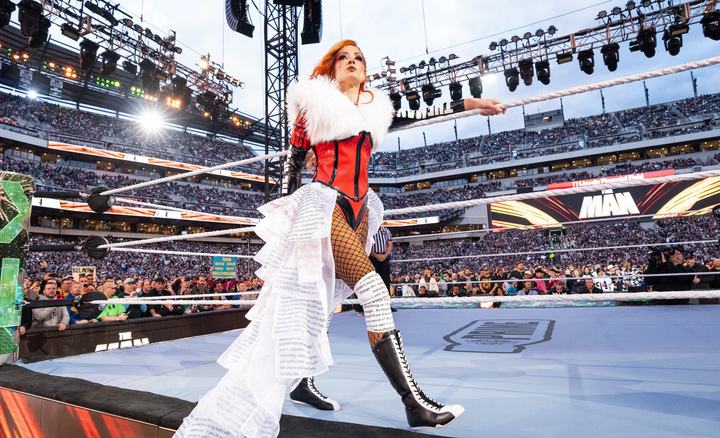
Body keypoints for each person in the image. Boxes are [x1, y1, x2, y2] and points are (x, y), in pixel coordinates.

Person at [175, 39, 505, 437]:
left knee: (328, 296)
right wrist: (288, 210)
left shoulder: (376, 110)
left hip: (363, 208)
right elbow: (294, 161)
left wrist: (476, 105)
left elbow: (428, 111)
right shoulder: (314, 105)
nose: (352, 62)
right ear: (332, 69)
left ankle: (300, 382)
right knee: (374, 293)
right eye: (343, 58)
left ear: (365, 71)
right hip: (324, 203)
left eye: (358, 58)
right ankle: (414, 403)